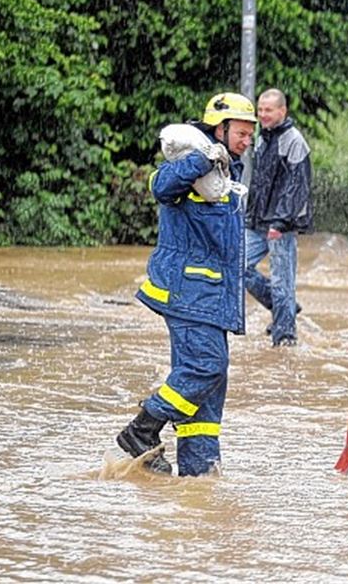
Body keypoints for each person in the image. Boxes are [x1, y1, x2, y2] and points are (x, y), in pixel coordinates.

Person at [115, 92, 256, 477]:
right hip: (189, 293)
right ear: (219, 129)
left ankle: (199, 474)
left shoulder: (227, 171)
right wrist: (203, 157)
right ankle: (141, 431)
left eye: (250, 135)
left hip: (213, 299)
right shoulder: (190, 161)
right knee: (206, 367)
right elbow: (161, 187)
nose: (247, 141)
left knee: (209, 392)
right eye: (241, 133)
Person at [244, 88, 312, 347]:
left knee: (282, 280)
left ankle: (284, 338)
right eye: (260, 110)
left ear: (282, 111)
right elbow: (260, 183)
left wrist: (280, 222)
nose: (263, 115)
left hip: (280, 224)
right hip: (257, 220)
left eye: (268, 110)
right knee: (238, 265)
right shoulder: (262, 138)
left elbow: (297, 186)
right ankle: (284, 308)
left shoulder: (294, 140)